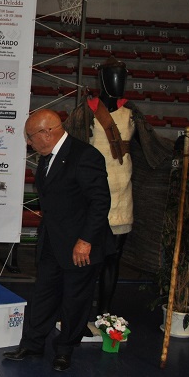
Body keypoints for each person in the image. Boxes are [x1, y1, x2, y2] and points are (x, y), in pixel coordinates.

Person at [4, 109, 114, 371]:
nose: (29, 142)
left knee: (75, 299)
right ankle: (33, 343)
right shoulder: (47, 158)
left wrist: (85, 240)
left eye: (30, 136)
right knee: (43, 294)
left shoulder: (85, 156)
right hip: (53, 241)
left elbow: (100, 202)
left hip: (80, 245)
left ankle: (65, 350)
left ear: (47, 132)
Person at [63, 59, 173, 320]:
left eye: (122, 77)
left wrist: (176, 146)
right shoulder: (84, 113)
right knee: (83, 260)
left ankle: (104, 313)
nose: (118, 82)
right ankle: (77, 312)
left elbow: (152, 146)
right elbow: (69, 149)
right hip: (89, 197)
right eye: (114, 76)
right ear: (102, 79)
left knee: (112, 259)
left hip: (122, 197)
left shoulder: (132, 114)